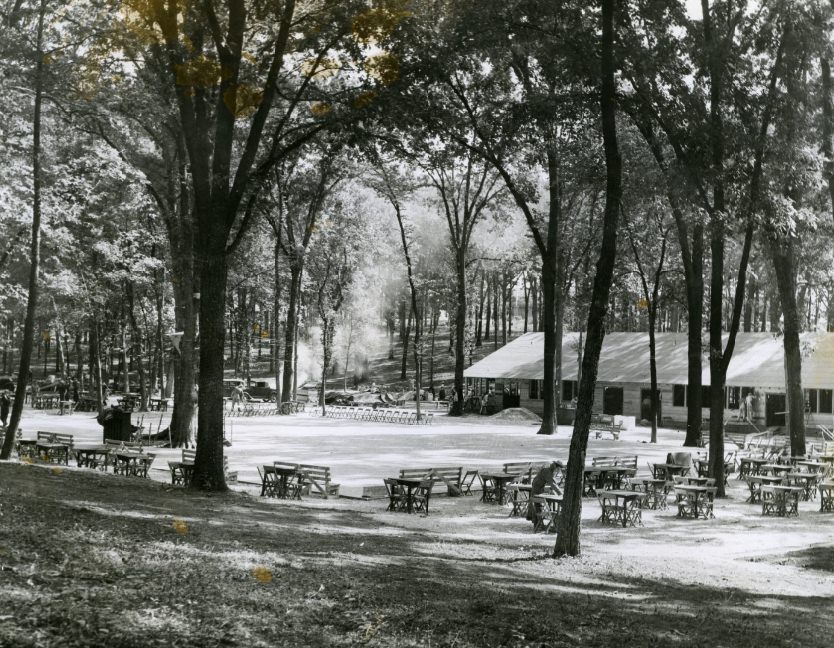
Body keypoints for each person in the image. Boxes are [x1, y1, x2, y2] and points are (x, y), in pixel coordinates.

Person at [526, 461, 564, 528]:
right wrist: (560, 493)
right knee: (537, 505)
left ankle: (538, 524)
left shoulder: (549, 470)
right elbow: (552, 483)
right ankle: (537, 523)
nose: (559, 470)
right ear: (555, 467)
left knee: (538, 505)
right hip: (537, 487)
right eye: (558, 469)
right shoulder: (548, 472)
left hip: (539, 486)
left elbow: (552, 483)